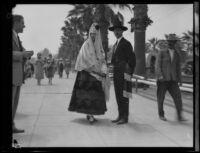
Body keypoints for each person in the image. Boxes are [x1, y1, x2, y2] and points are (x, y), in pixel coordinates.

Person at [68, 23, 110, 124]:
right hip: (87, 74)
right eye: (91, 34)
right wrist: (92, 69)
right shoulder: (86, 45)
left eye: (95, 34)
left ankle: (90, 114)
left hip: (97, 74)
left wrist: (103, 70)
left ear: (98, 35)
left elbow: (103, 60)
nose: (93, 36)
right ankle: (90, 115)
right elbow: (83, 58)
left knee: (95, 96)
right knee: (88, 96)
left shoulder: (99, 47)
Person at [108, 15, 136, 124]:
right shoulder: (115, 45)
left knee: (124, 96)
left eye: (118, 30)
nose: (116, 32)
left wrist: (129, 73)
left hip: (124, 73)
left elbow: (132, 59)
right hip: (116, 74)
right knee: (118, 95)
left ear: (122, 31)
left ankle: (125, 117)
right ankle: (120, 115)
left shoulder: (126, 43)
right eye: (115, 31)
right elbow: (114, 60)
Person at [155, 33, 187, 122]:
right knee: (161, 98)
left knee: (178, 97)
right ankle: (161, 115)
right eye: (169, 41)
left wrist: (180, 80)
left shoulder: (177, 54)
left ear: (175, 43)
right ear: (167, 42)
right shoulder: (162, 52)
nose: (170, 43)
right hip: (163, 80)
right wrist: (160, 75)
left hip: (173, 80)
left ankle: (180, 116)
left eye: (172, 42)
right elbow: (157, 65)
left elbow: (178, 68)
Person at [12, 14, 34, 133]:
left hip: (18, 77)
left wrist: (26, 53)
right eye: (22, 23)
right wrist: (22, 54)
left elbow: (20, 51)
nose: (24, 26)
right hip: (13, 76)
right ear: (15, 23)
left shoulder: (16, 36)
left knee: (14, 104)